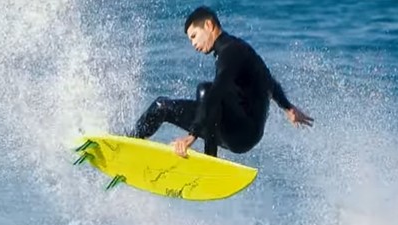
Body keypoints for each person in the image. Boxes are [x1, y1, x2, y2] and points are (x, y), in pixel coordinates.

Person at [129, 6, 313, 158]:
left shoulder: (230, 51)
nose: (193, 44)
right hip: (238, 130)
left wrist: (191, 137)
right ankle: (129, 143)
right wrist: (288, 108)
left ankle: (210, 157)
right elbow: (269, 81)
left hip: (242, 131)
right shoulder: (237, 49)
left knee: (206, 90)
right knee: (162, 106)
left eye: (194, 36)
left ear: (208, 25)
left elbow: (217, 91)